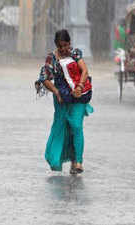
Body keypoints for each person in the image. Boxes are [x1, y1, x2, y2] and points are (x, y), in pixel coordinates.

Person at [36, 29, 93, 174]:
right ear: (56, 45)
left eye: (66, 45)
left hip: (79, 95)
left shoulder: (75, 53)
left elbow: (84, 71)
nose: (64, 49)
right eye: (60, 46)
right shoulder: (51, 58)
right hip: (62, 98)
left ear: (70, 43)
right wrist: (56, 92)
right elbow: (45, 79)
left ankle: (78, 161)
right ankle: (59, 158)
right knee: (61, 129)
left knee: (76, 126)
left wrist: (80, 87)